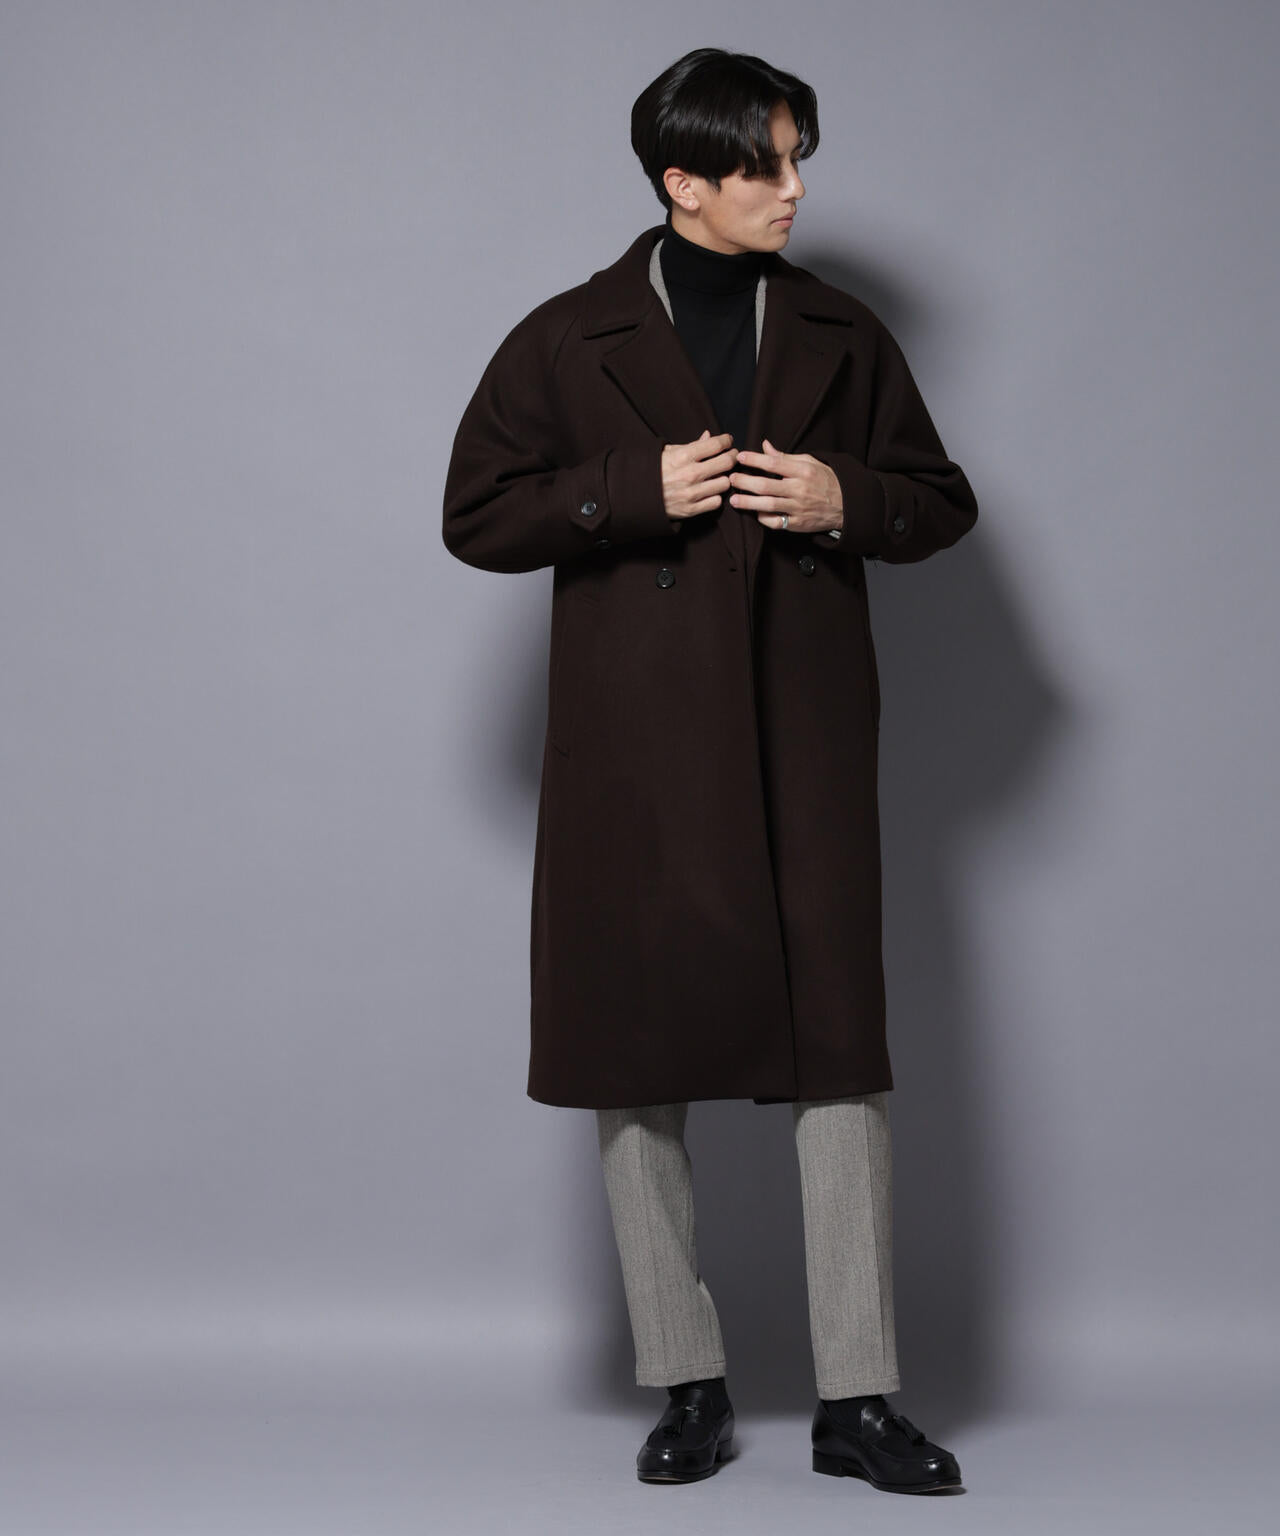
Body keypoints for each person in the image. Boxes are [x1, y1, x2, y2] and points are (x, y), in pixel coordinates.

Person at [442, 47, 978, 1492]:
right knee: (636, 1060)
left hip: (805, 742)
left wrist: (843, 496)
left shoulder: (844, 330)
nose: (796, 190)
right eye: (767, 165)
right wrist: (628, 492)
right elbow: (476, 513)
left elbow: (940, 501)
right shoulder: (570, 337)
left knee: (839, 1058)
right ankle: (688, 1384)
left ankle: (858, 1399)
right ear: (685, 181)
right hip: (637, 757)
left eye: (801, 160)